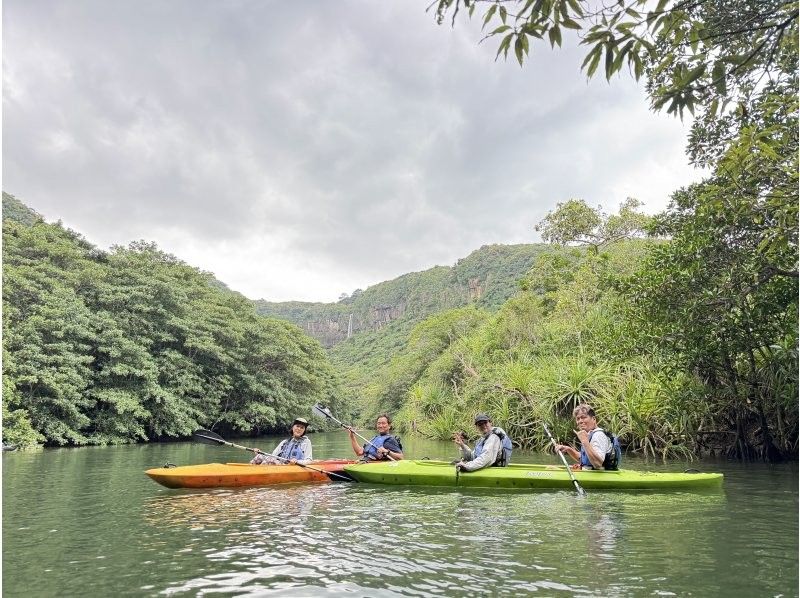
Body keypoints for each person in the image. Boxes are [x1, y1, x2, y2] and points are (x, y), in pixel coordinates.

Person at [554, 404, 620, 470]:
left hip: (600, 476)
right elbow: (583, 458)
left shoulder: (598, 435)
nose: (580, 421)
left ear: (594, 419)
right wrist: (568, 449)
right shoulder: (590, 434)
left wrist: (584, 441)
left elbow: (597, 464)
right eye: (578, 419)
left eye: (583, 417)